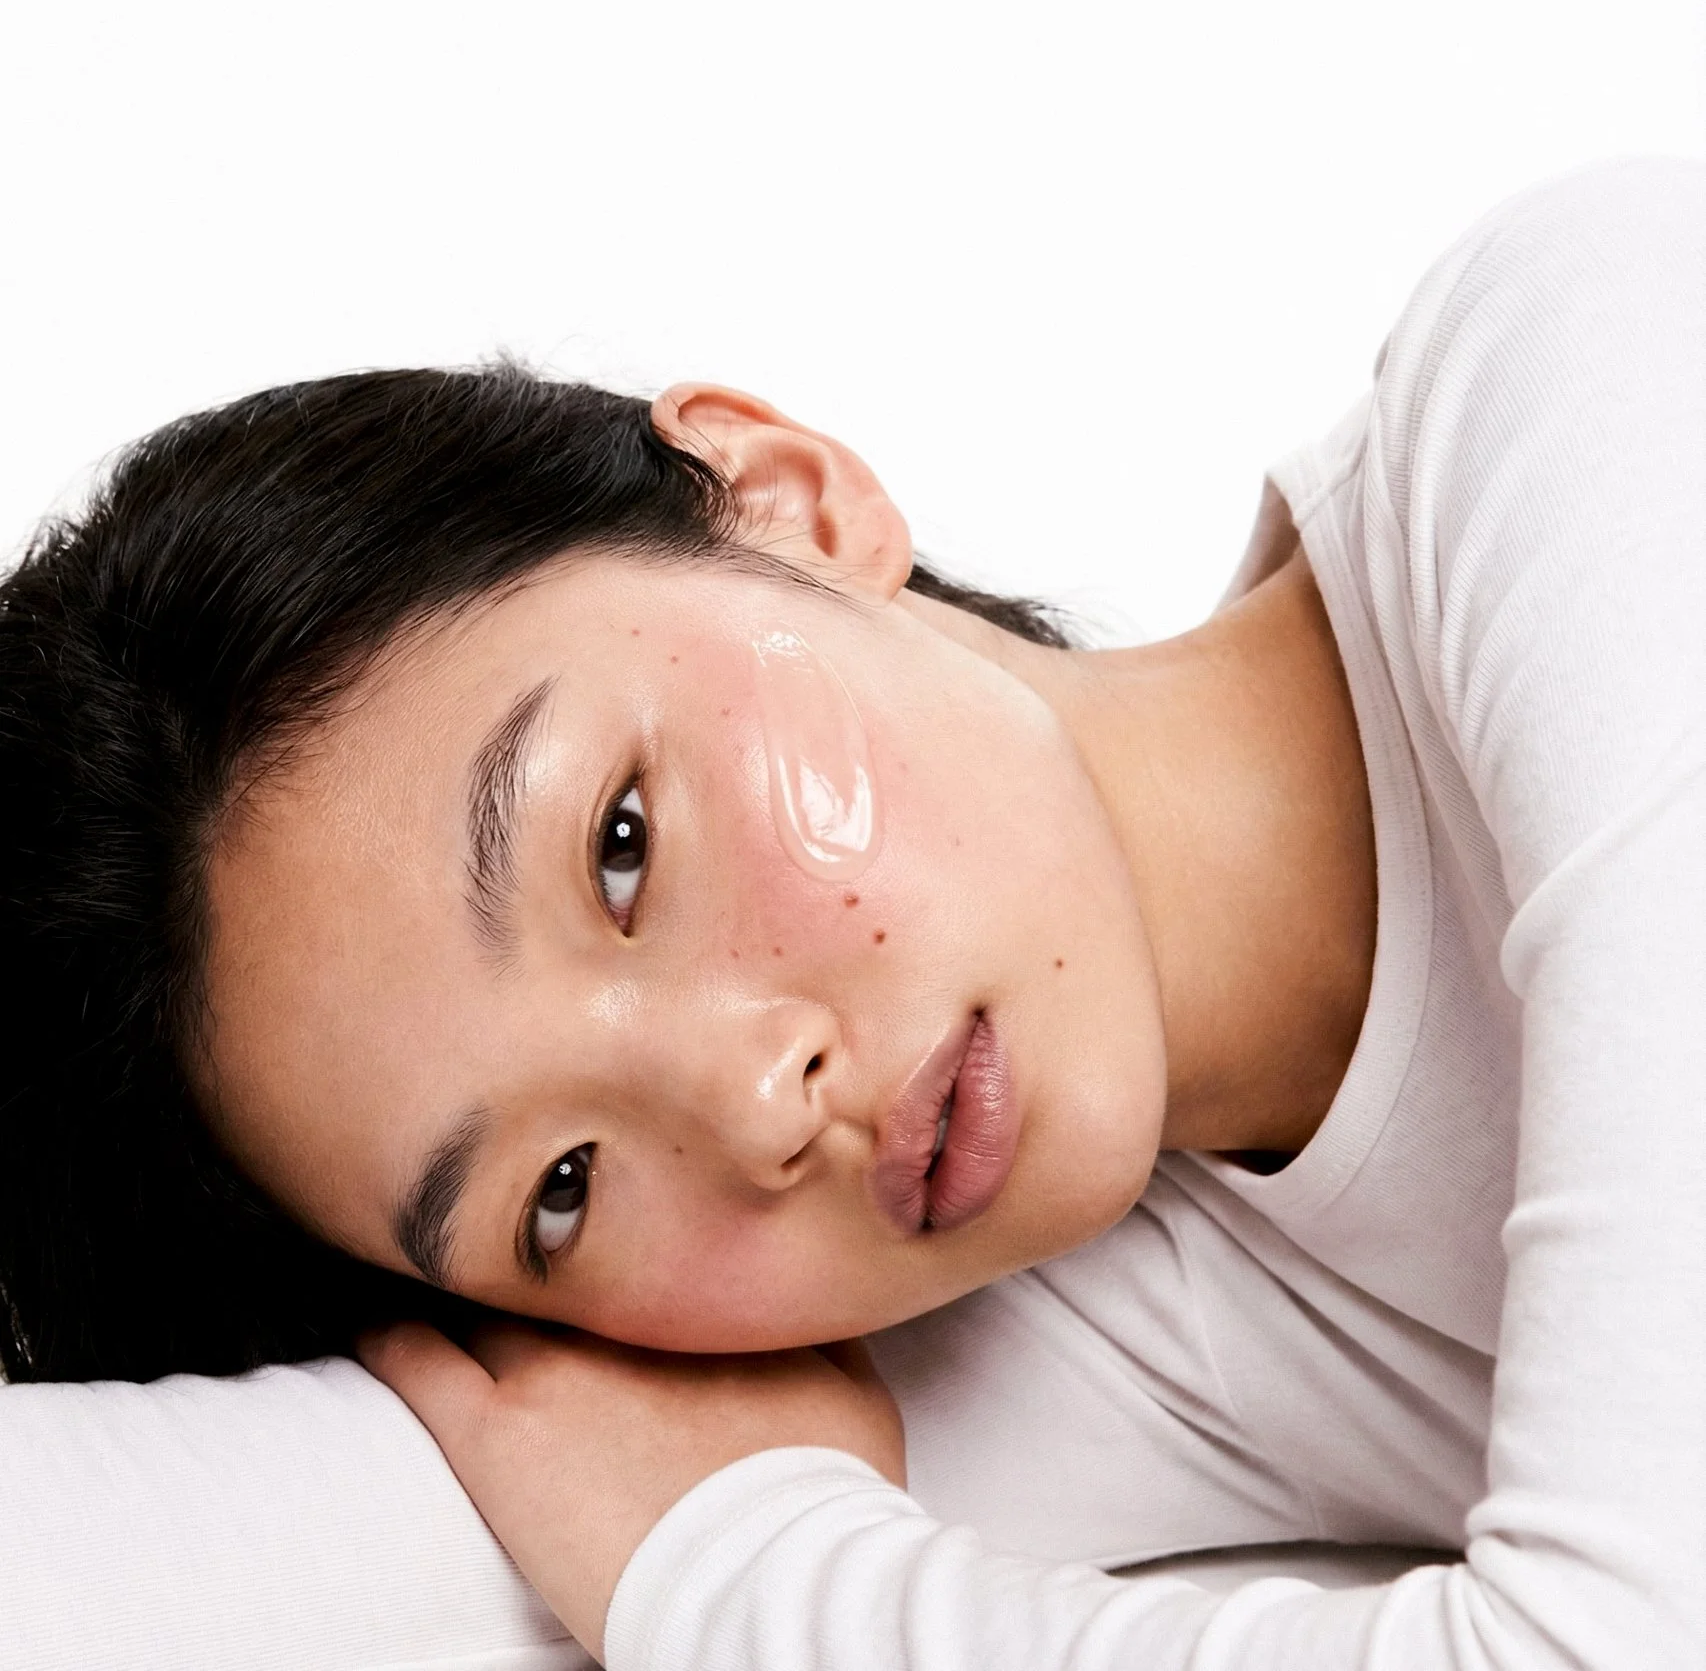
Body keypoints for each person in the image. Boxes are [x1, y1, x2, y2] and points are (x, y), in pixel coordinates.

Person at [0, 159, 1700, 1670]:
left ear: (785, 499)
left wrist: (740, 1581)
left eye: (618, 847)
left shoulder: (1595, 391)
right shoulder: (1008, 1323)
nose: (748, 1109)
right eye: (561, 1189)